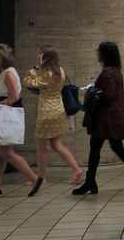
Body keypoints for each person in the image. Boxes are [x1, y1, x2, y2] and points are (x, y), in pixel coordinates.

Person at [73, 41, 124, 195]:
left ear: (104, 54)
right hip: (113, 116)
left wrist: (93, 92)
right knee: (115, 147)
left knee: (96, 148)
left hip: (106, 117)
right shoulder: (115, 71)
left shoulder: (108, 73)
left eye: (98, 51)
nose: (97, 54)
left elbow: (108, 95)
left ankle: (91, 182)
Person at [0, 44, 43, 197]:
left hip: (6, 113)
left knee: (7, 152)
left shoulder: (8, 73)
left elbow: (14, 96)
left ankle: (34, 178)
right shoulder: (5, 73)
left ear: (4, 56)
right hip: (3, 112)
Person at [23, 45, 83, 185]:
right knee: (57, 144)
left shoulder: (47, 74)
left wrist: (36, 67)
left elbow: (28, 81)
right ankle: (76, 169)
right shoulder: (60, 72)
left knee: (41, 146)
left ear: (43, 58)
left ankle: (41, 177)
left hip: (46, 112)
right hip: (58, 110)